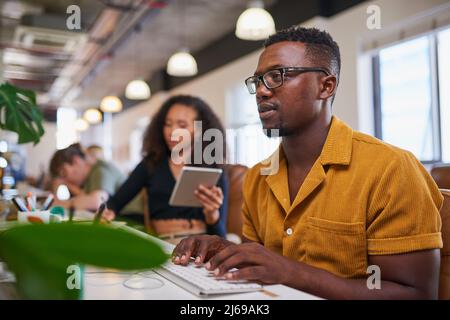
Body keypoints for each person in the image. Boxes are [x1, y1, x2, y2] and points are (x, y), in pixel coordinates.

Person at [172, 26, 443, 299]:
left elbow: (416, 294)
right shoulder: (258, 177)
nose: (261, 92)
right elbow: (256, 269)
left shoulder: (392, 170)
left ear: (326, 86)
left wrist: (292, 273)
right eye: (258, 81)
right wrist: (224, 252)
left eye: (277, 76)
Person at [105, 95, 228, 243]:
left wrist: (212, 215)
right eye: (167, 124)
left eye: (182, 126)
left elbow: (221, 238)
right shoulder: (151, 164)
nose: (172, 132)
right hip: (163, 244)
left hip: (201, 246)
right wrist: (108, 212)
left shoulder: (213, 170)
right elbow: (115, 202)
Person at [49, 143, 144, 219]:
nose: (64, 180)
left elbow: (96, 202)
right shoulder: (88, 178)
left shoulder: (100, 169)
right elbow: (85, 199)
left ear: (76, 161)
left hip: (135, 219)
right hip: (121, 218)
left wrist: (62, 203)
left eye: (64, 173)